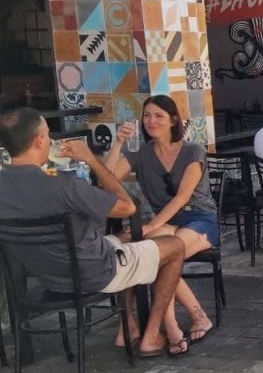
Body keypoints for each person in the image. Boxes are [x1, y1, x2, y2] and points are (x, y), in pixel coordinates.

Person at [0, 108, 185, 358]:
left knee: (126, 238)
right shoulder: (65, 187)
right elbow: (128, 207)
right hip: (96, 273)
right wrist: (91, 159)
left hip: (48, 276)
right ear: (39, 141)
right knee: (174, 246)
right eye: (48, 134)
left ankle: (128, 324)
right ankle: (151, 335)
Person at [105, 95, 217, 355]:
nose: (151, 121)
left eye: (158, 116)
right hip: (167, 222)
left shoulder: (192, 150)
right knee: (137, 250)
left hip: (199, 217)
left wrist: (150, 226)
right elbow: (107, 181)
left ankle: (172, 326)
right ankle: (187, 318)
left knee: (155, 255)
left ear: (173, 120)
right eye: (147, 116)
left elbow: (182, 197)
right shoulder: (141, 153)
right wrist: (118, 142)